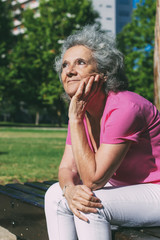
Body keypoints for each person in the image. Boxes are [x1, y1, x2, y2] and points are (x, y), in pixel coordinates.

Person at [44, 25, 160, 240]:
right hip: (122, 186)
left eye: (81, 62)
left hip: (155, 189)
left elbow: (93, 180)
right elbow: (67, 167)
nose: (69, 71)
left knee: (91, 204)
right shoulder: (81, 108)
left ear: (103, 73)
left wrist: (76, 118)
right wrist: (69, 190)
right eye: (65, 65)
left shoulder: (125, 107)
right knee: (55, 195)